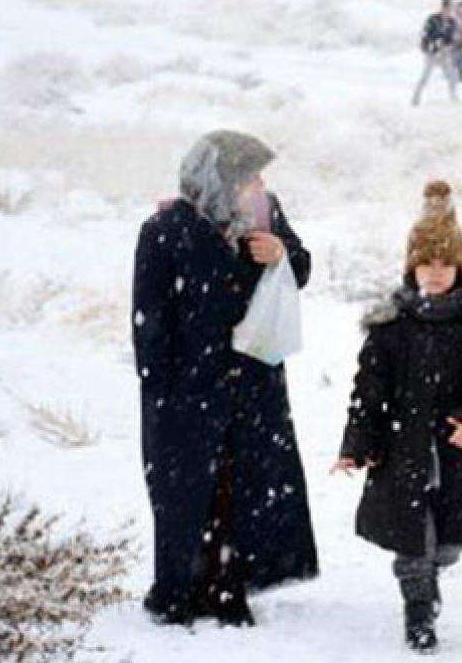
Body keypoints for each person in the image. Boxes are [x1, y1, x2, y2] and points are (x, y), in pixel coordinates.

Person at [132, 130, 319, 627]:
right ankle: (179, 591)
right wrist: (161, 390)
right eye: (249, 175)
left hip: (253, 380)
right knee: (186, 492)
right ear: (219, 179)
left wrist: (281, 253)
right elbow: (150, 319)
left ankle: (228, 587)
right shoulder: (166, 228)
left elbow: (302, 267)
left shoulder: (266, 214)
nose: (259, 184)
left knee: (243, 488)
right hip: (187, 388)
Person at [336, 181, 462, 654]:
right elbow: (367, 390)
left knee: (449, 543)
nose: (434, 273)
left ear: (458, 266)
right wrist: (355, 445)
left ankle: (430, 576)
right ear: (412, 266)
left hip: (456, 453)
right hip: (402, 448)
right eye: (425, 263)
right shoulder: (392, 324)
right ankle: (418, 611)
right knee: (412, 542)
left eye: (444, 263)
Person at [412, 0, 460, 106]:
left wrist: (448, 46)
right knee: (425, 76)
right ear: (443, 8)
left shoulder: (452, 22)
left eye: (451, 9)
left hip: (444, 54)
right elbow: (425, 35)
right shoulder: (432, 19)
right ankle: (415, 98)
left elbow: (452, 38)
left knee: (452, 76)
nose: (450, 11)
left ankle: (453, 97)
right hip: (431, 53)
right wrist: (435, 43)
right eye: (448, 8)